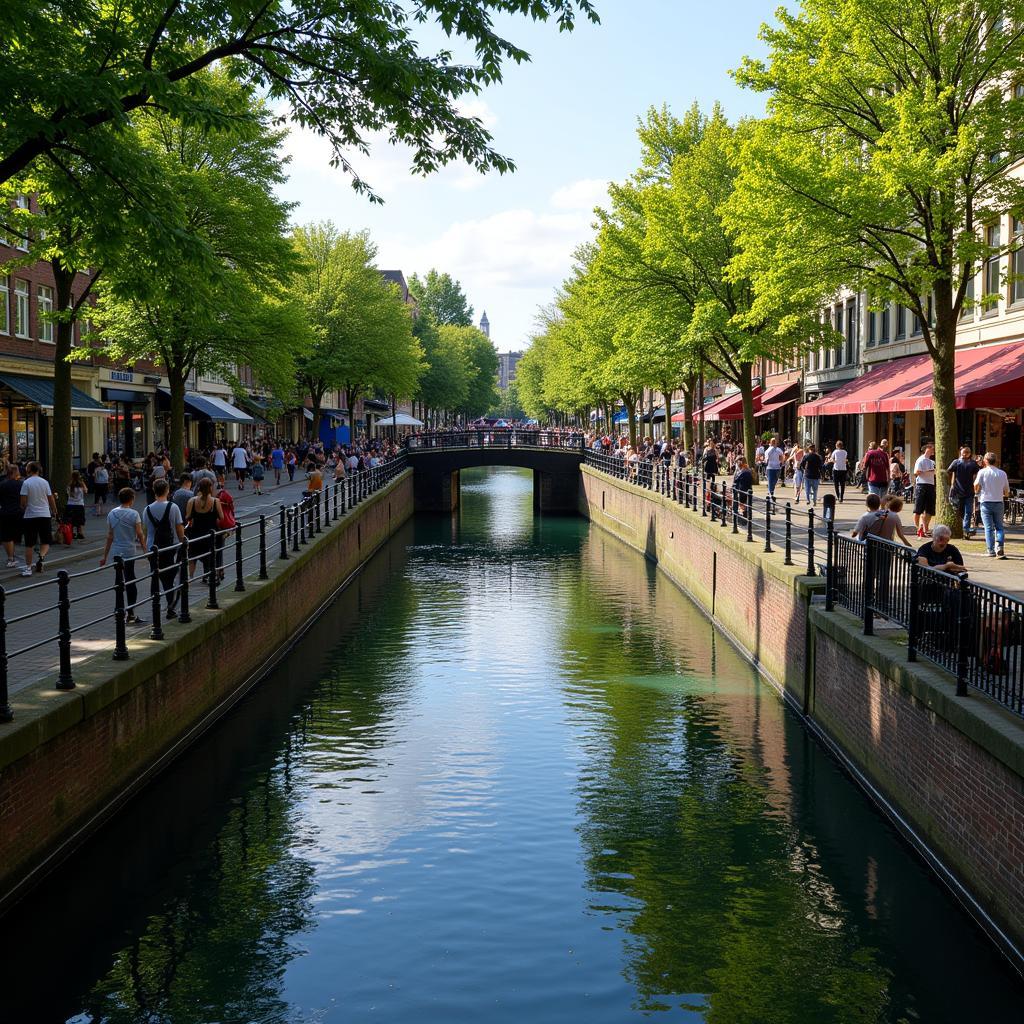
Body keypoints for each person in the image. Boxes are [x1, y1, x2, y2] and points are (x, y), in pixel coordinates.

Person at [99, 486, 146, 625]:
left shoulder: (112, 513)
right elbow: (140, 534)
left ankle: (118, 610)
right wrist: (145, 551)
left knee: (118, 580)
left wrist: (104, 556)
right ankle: (131, 613)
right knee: (131, 580)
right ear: (131, 499)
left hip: (116, 552)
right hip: (129, 551)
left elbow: (110, 536)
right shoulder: (134, 514)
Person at [144, 478, 186, 617]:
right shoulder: (173, 507)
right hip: (169, 547)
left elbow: (147, 531)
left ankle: (155, 606)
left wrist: (146, 549)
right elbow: (179, 528)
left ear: (154, 491)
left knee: (155, 576)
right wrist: (183, 543)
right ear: (167, 491)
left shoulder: (147, 509)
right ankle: (170, 607)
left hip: (153, 548)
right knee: (169, 579)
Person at [19, 461, 57, 577]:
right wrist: (54, 510)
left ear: (29, 470)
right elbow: (50, 498)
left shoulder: (26, 483)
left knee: (29, 543)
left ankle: (28, 568)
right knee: (46, 540)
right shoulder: (45, 482)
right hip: (44, 515)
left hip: (30, 516)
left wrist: (25, 507)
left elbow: (23, 502)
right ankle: (41, 557)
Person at [185, 478, 223, 582]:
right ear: (210, 488)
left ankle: (190, 577)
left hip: (195, 533)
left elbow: (187, 517)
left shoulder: (192, 501)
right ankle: (210, 573)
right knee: (211, 554)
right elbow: (221, 517)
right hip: (210, 533)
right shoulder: (215, 501)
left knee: (192, 556)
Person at [974, 451, 1010, 559]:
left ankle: (990, 550)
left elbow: (976, 485)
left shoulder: (982, 472)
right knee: (999, 527)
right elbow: (1006, 490)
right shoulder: (1002, 473)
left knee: (988, 528)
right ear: (996, 461)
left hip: (985, 502)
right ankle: (999, 546)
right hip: (999, 502)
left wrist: (977, 492)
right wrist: (1004, 495)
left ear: (985, 461)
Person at [947, 446, 980, 539]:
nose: (965, 454)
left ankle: (965, 530)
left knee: (968, 512)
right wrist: (952, 484)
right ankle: (961, 530)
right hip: (958, 491)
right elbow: (949, 471)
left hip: (969, 491)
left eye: (967, 452)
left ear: (969, 454)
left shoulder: (973, 463)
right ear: (961, 452)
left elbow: (977, 474)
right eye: (963, 452)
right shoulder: (956, 462)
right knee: (959, 512)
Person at [0, 465, 23, 568]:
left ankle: (10, 558)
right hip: (18, 512)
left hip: (5, 512)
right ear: (15, 472)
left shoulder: (2, 484)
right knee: (15, 536)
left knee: (6, 536)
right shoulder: (21, 484)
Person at [912, 442, 936, 537]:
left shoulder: (932, 462)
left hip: (930, 485)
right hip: (921, 485)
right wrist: (928, 471)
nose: (933, 450)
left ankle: (926, 528)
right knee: (918, 509)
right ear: (927, 449)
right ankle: (917, 528)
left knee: (929, 509)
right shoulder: (920, 460)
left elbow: (934, 472)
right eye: (932, 448)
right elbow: (916, 472)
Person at [733, 456, 754, 524]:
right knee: (746, 504)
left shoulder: (742, 471)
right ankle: (746, 517)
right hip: (749, 489)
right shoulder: (749, 470)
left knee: (742, 504)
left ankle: (744, 518)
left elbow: (736, 480)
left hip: (742, 489)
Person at [66, 471, 87, 540]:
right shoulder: (81, 485)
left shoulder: (69, 485)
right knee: (79, 519)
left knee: (71, 519)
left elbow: (67, 493)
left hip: (70, 504)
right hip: (79, 504)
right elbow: (86, 491)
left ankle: (71, 533)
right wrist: (83, 482)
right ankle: (79, 532)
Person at [763, 436, 784, 503]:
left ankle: (771, 491)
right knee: (770, 481)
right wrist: (772, 448)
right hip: (770, 468)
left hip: (777, 467)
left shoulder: (778, 449)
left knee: (775, 481)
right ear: (770, 442)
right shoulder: (768, 450)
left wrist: (781, 463)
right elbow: (767, 457)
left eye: (775, 442)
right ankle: (771, 493)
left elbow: (781, 456)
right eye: (773, 442)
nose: (774, 443)